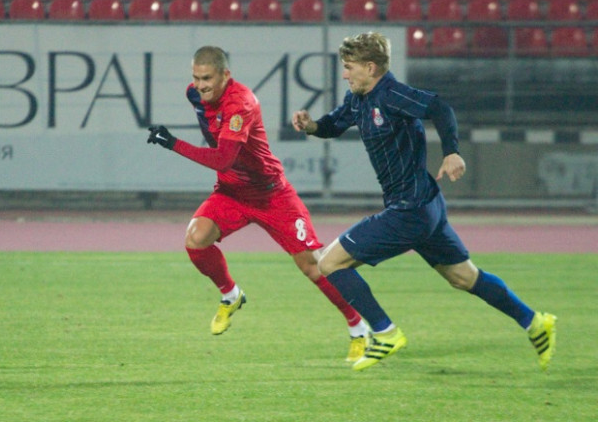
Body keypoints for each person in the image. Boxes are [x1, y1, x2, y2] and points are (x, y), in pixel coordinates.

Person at [291, 32, 557, 371]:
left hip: (409, 209)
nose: (345, 74)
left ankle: (385, 333)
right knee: (463, 277)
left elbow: (440, 108)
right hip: (426, 205)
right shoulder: (358, 98)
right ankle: (534, 322)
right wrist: (312, 125)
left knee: (328, 263)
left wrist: (452, 152)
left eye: (349, 67)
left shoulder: (392, 94)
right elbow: (334, 124)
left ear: (370, 67)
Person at [147, 46, 370, 362]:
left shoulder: (242, 104)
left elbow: (224, 158)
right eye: (196, 78)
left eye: (207, 78)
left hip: (272, 195)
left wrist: (173, 143)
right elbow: (223, 158)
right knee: (196, 239)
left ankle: (358, 327)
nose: (200, 85)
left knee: (313, 266)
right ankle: (231, 295)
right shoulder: (195, 94)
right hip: (232, 192)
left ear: (226, 75)